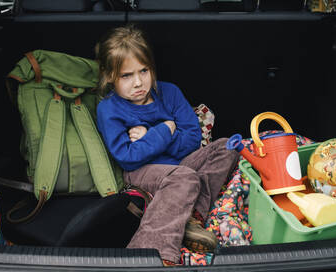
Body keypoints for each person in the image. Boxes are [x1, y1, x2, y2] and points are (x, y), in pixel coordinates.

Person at [95, 24, 239, 266]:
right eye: (126, 76)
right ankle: (150, 251)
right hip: (140, 171)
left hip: (179, 164)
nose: (138, 82)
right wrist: (166, 128)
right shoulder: (109, 109)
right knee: (184, 177)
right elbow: (128, 156)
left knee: (227, 147)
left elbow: (192, 139)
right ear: (110, 76)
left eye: (144, 71)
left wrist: (152, 134)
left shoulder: (169, 93)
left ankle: (191, 219)